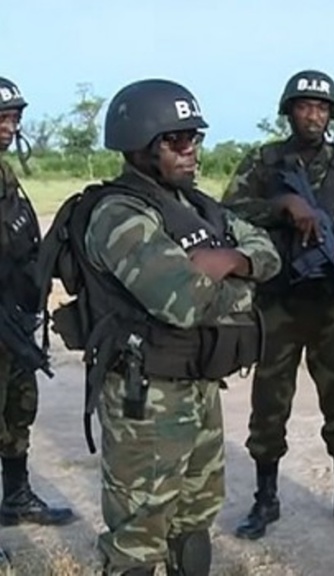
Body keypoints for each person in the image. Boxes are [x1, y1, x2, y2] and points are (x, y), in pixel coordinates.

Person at [40, 78, 282, 576]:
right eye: (177, 140)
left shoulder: (196, 206)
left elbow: (267, 252)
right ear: (139, 146)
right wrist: (243, 283)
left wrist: (231, 260)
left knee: (193, 523)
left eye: (194, 137)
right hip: (145, 398)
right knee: (138, 540)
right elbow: (186, 302)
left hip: (199, 385)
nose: (191, 149)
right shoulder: (119, 215)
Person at [222, 69, 334, 540]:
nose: (313, 115)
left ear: (331, 116)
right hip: (278, 302)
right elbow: (228, 212)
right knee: (269, 402)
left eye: (322, 108)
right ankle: (265, 498)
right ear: (289, 111)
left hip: (332, 305)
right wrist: (283, 206)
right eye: (304, 106)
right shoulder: (264, 162)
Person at [0, 76, 76, 538]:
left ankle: (15, 496)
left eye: (13, 118)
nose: (8, 127)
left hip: (14, 316)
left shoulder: (5, 174)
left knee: (18, 407)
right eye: (1, 118)